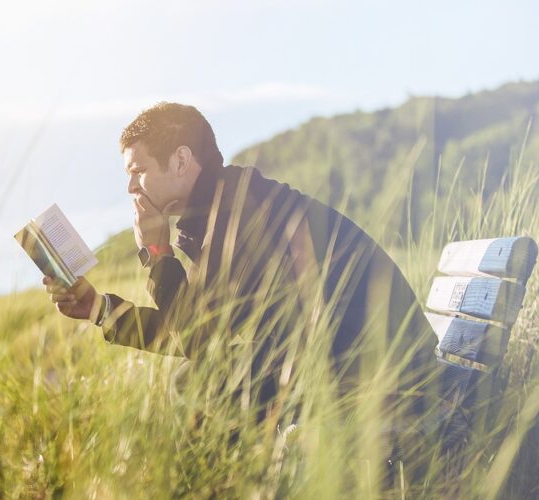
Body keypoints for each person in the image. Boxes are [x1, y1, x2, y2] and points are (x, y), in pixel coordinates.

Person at [43, 102, 440, 466]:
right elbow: (199, 331)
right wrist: (98, 308)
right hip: (351, 365)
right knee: (203, 381)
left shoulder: (241, 212)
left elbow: (196, 337)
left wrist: (158, 252)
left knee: (199, 385)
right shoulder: (221, 208)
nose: (131, 189)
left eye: (138, 171)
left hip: (388, 380)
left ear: (181, 159)